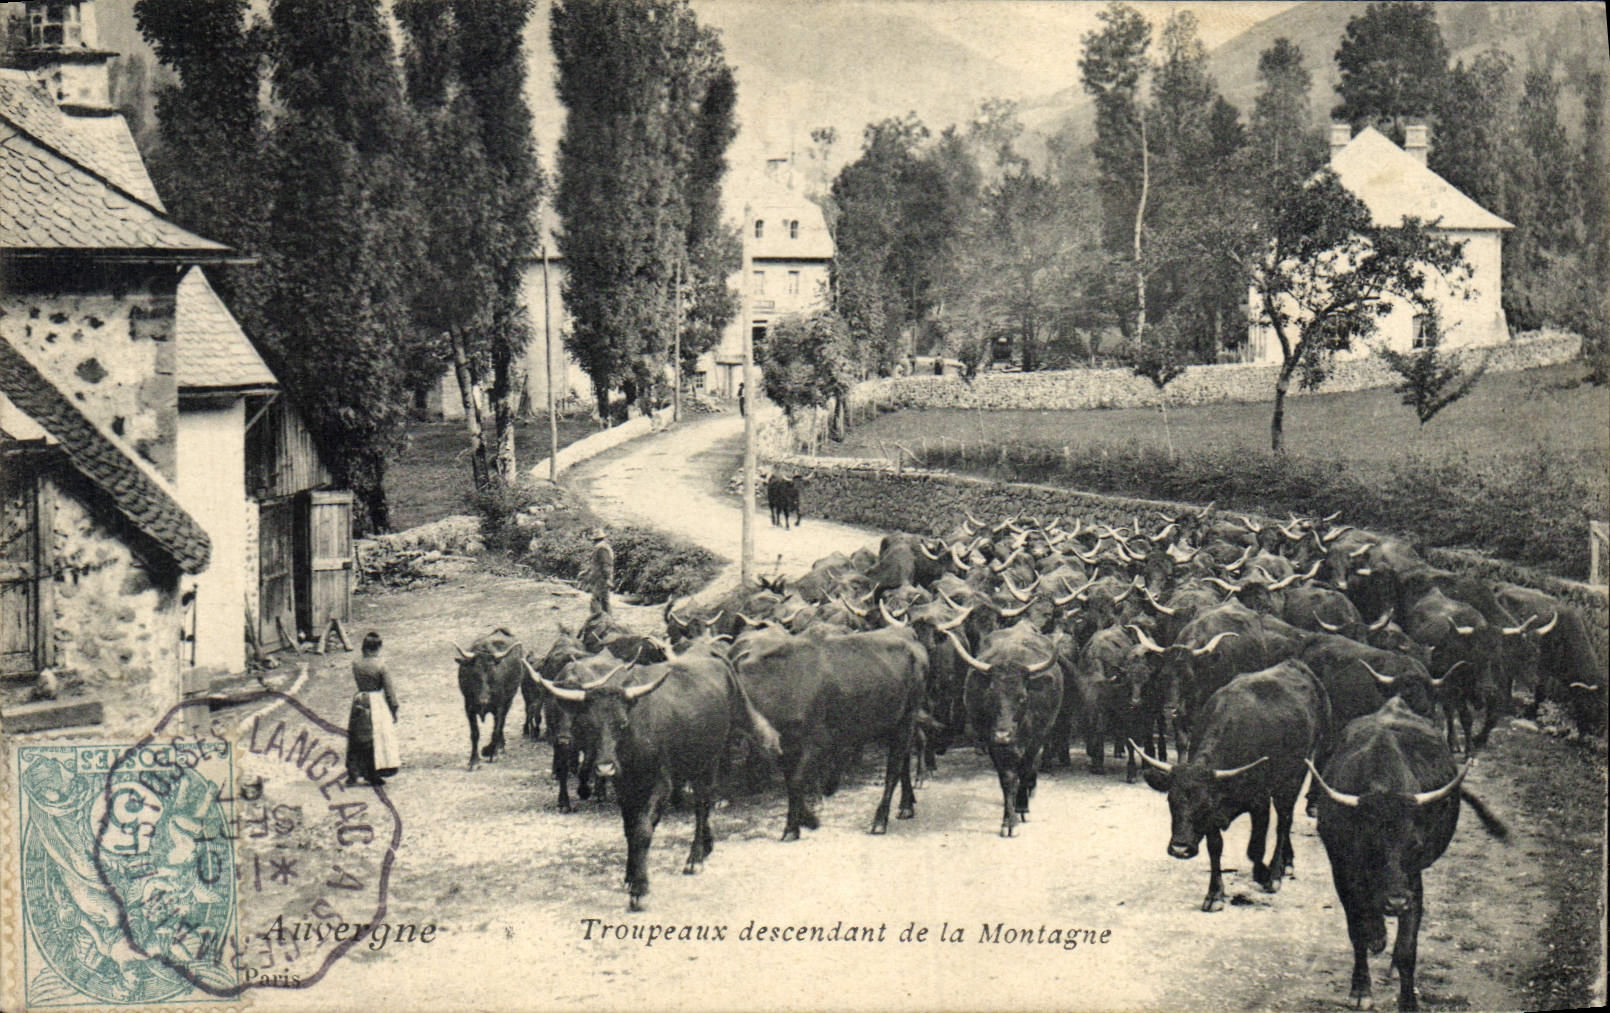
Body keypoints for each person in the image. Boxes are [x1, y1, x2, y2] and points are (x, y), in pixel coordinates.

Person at [345, 632, 400, 787]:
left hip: (359, 700)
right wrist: (394, 711)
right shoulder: (381, 666)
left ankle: (353, 773)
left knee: (357, 737)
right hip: (376, 702)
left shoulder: (356, 663)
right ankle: (373, 774)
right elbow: (390, 693)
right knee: (376, 738)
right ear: (378, 647)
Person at [584, 526, 614, 615]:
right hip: (599, 578)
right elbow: (596, 564)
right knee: (602, 600)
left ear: (595, 539)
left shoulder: (601, 548)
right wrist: (586, 572)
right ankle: (605, 621)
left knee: (598, 601)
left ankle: (600, 621)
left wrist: (607, 579)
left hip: (602, 579)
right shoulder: (601, 547)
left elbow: (606, 564)